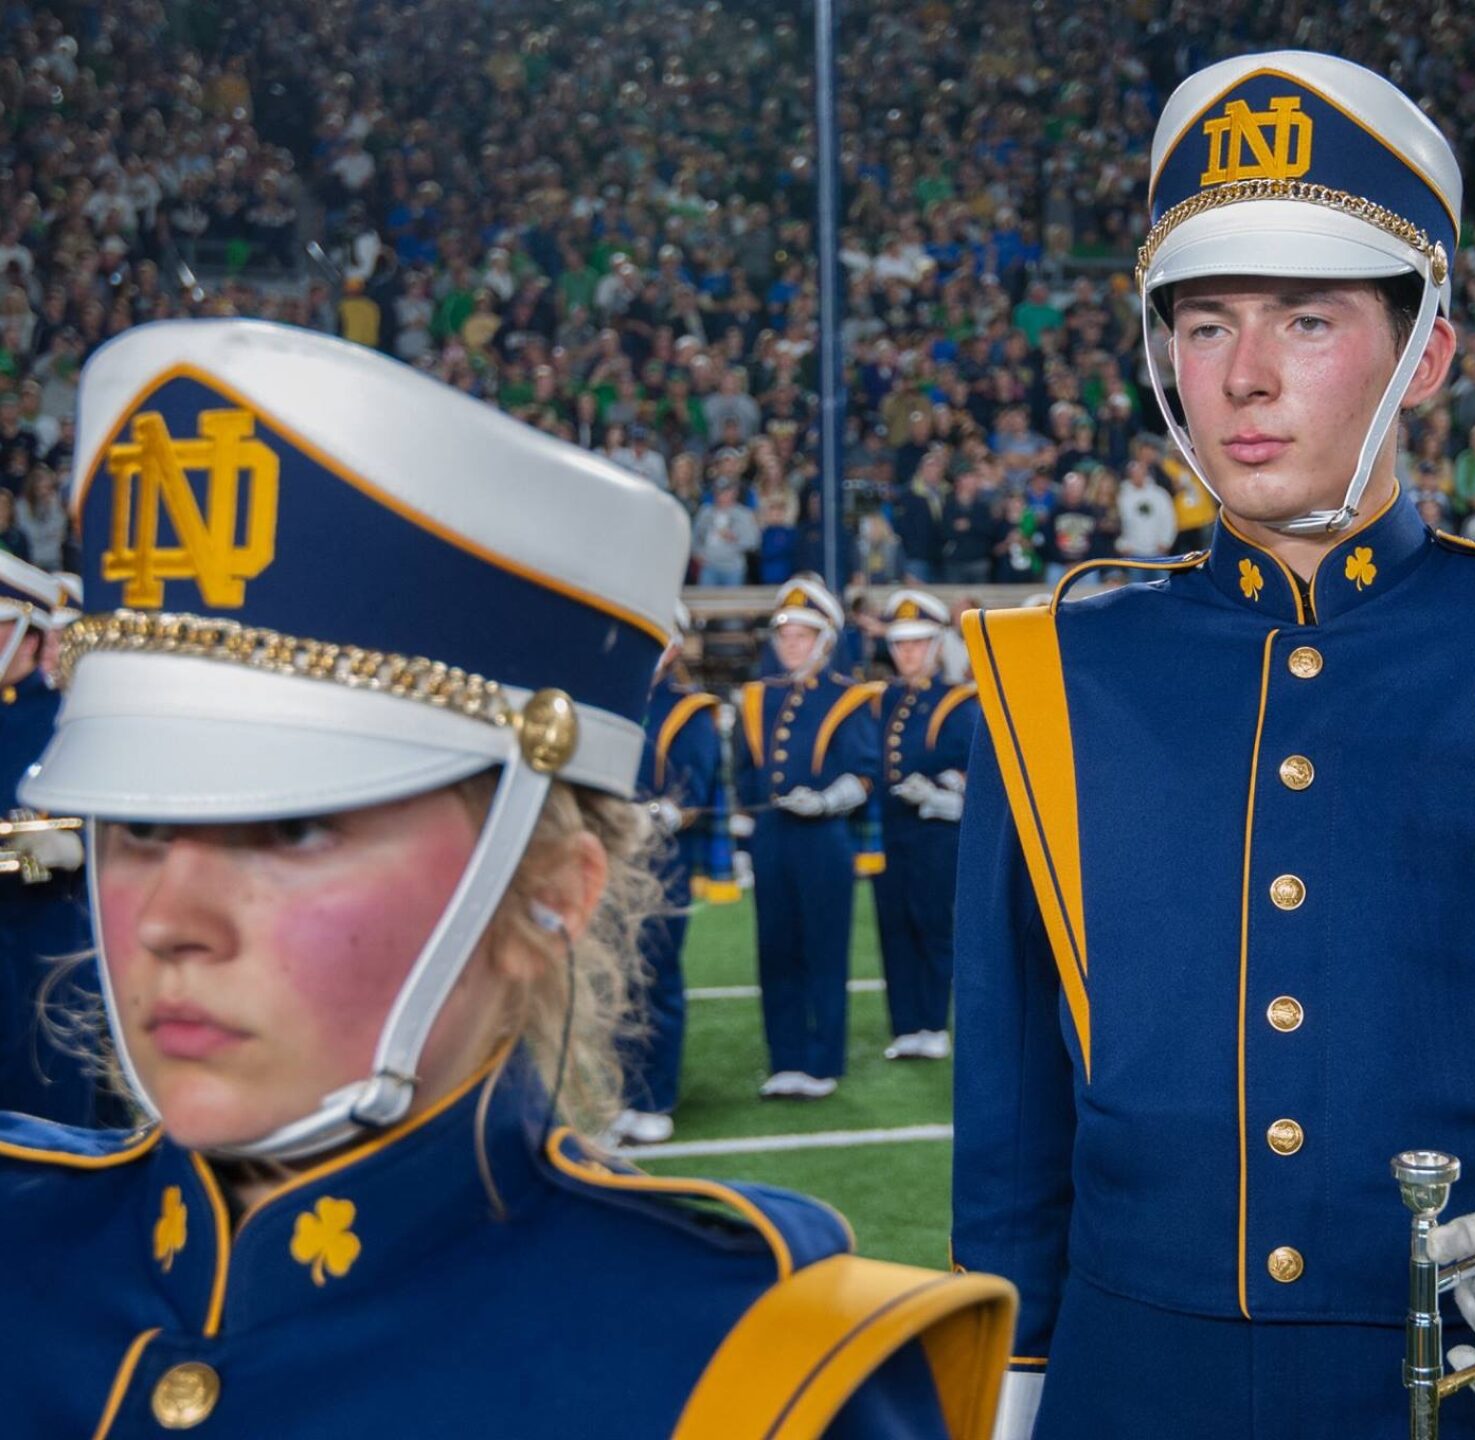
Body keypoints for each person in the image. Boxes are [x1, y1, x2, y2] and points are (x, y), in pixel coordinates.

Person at [952, 52, 1475, 1440]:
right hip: (1127, 1390)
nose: (1247, 378)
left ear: (1426, 354)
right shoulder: (1051, 672)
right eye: (1205, 326)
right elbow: (1015, 1128)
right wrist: (1013, 1390)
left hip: (1468, 1392)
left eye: (1310, 321)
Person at [0, 320, 1013, 1435]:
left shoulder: (749, 1373)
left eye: (291, 828)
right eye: (138, 822)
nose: (170, 924)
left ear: (554, 894)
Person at [733, 578, 880, 1098]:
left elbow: (864, 773)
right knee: (775, 948)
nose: (790, 644)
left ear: (823, 640)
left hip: (823, 839)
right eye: (785, 635)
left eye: (802, 635)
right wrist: (743, 839)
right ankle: (786, 1057)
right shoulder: (756, 698)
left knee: (823, 948)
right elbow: (746, 777)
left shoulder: (849, 697)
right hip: (772, 838)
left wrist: (824, 801)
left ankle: (822, 1061)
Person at [608, 602, 728, 1149]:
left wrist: (656, 814)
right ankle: (617, 1097)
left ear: (674, 647)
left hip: (662, 861)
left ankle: (655, 1098)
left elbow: (697, 792)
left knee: (655, 976)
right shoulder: (611, 700)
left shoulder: (690, 711)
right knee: (612, 981)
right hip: (609, 860)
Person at [0, 551, 96, 1123]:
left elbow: (68, 846)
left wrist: (13, 853)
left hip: (46, 943)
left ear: (25, 634)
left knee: (47, 1111)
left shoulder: (65, 719)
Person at [874, 591, 978, 1062]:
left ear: (936, 645)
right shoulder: (883, 699)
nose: (907, 653)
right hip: (890, 831)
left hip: (936, 833)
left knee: (932, 925)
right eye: (900, 644)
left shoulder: (959, 702)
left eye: (917, 643)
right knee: (892, 926)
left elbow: (975, 774)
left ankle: (934, 1022)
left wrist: (938, 794)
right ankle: (905, 1024)